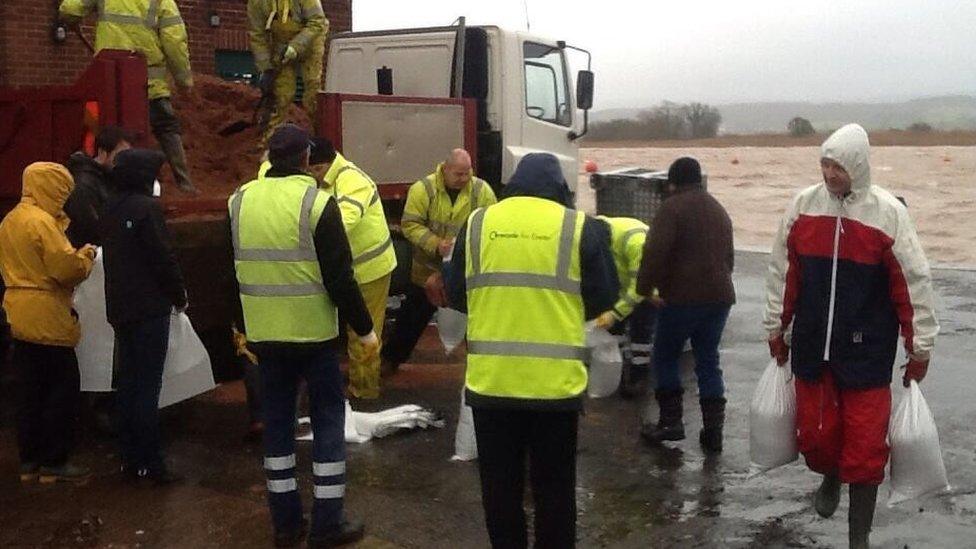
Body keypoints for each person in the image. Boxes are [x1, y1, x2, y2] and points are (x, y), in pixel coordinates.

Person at [763, 124, 939, 548]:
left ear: (857, 166)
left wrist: (919, 349)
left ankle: (857, 535)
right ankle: (829, 475)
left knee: (864, 450)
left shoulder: (888, 214)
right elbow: (783, 272)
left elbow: (913, 284)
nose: (829, 174)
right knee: (818, 438)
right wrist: (776, 327)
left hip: (867, 354)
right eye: (824, 164)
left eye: (837, 166)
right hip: (812, 349)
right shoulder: (804, 207)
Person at [444, 153, 618, 548]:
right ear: (560, 188)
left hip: (492, 385)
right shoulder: (579, 227)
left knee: (500, 489)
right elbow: (603, 298)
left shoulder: (477, 223)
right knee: (554, 490)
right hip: (554, 389)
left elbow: (456, 295)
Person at [229, 124, 377, 548]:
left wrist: (242, 325)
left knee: (277, 427)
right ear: (306, 158)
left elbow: (233, 271)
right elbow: (340, 278)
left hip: (266, 337)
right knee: (328, 421)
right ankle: (328, 525)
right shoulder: (317, 202)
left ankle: (286, 525)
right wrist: (364, 330)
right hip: (313, 337)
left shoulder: (239, 200)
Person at [0, 162, 96, 483]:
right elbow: (64, 269)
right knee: (61, 389)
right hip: (47, 313)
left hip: (18, 311)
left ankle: (29, 461)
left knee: (29, 392)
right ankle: (54, 462)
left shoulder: (11, 219)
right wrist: (85, 257)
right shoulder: (43, 223)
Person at [636, 157, 735, 454]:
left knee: (665, 356)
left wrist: (644, 290)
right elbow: (728, 258)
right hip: (719, 298)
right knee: (708, 360)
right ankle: (714, 431)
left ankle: (670, 423)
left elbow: (654, 253)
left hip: (680, 298)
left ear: (673, 182)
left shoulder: (671, 208)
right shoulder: (719, 209)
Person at [100, 149, 187, 484]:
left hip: (120, 309)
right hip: (150, 309)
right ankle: (151, 464)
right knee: (148, 388)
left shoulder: (110, 207)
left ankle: (129, 459)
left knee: (127, 385)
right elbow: (162, 258)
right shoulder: (147, 209)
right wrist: (179, 296)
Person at [59, 0, 198, 194]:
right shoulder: (162, 2)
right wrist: (184, 81)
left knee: (96, 129)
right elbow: (175, 42)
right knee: (167, 128)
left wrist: (68, 18)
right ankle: (184, 183)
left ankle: (93, 180)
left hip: (107, 82)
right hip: (149, 84)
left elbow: (69, 9)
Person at [383, 149, 497, 373]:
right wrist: (436, 244)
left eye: (467, 173)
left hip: (466, 271)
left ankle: (483, 366)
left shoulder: (481, 190)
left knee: (476, 321)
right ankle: (390, 360)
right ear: (444, 170)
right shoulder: (423, 189)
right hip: (427, 270)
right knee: (412, 317)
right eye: (458, 174)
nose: (463, 179)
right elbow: (410, 225)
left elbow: (492, 225)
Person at [309, 138, 396, 399]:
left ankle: (365, 392)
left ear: (325, 164)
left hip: (369, 270)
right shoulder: (323, 178)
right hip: (343, 270)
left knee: (364, 334)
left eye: (314, 170)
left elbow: (340, 225)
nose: (310, 175)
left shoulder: (352, 181)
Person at [247, 0, 329, 142]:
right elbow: (258, 36)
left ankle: (317, 136)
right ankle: (270, 141)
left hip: (311, 41)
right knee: (282, 94)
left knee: (312, 87)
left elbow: (317, 21)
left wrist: (295, 47)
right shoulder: (257, 3)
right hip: (281, 45)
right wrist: (266, 68)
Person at [594, 216, 656, 397]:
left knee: (641, 333)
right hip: (622, 290)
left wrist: (615, 313)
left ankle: (639, 377)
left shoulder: (637, 242)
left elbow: (640, 288)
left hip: (649, 291)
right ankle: (618, 375)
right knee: (615, 334)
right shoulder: (597, 233)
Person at [64, 126, 133, 248]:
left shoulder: (110, 177)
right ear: (102, 153)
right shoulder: (84, 185)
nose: (126, 161)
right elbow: (90, 228)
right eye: (121, 155)